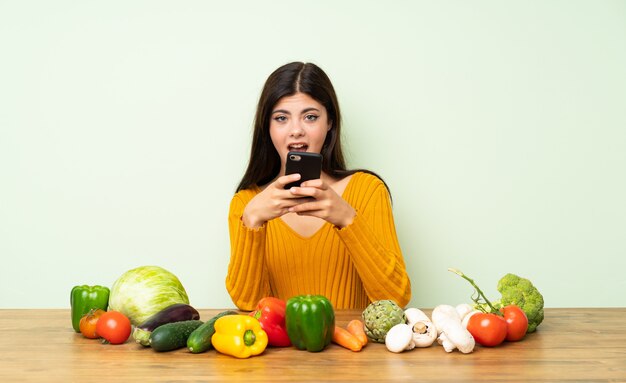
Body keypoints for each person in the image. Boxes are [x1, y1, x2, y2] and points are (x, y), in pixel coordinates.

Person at [226, 62, 411, 310]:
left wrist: (347, 219)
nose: (296, 131)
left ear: (330, 122)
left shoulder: (367, 190)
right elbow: (249, 305)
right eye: (281, 118)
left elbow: (395, 298)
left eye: (310, 117)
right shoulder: (246, 203)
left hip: (355, 347)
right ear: (267, 127)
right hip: (282, 349)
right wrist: (252, 221)